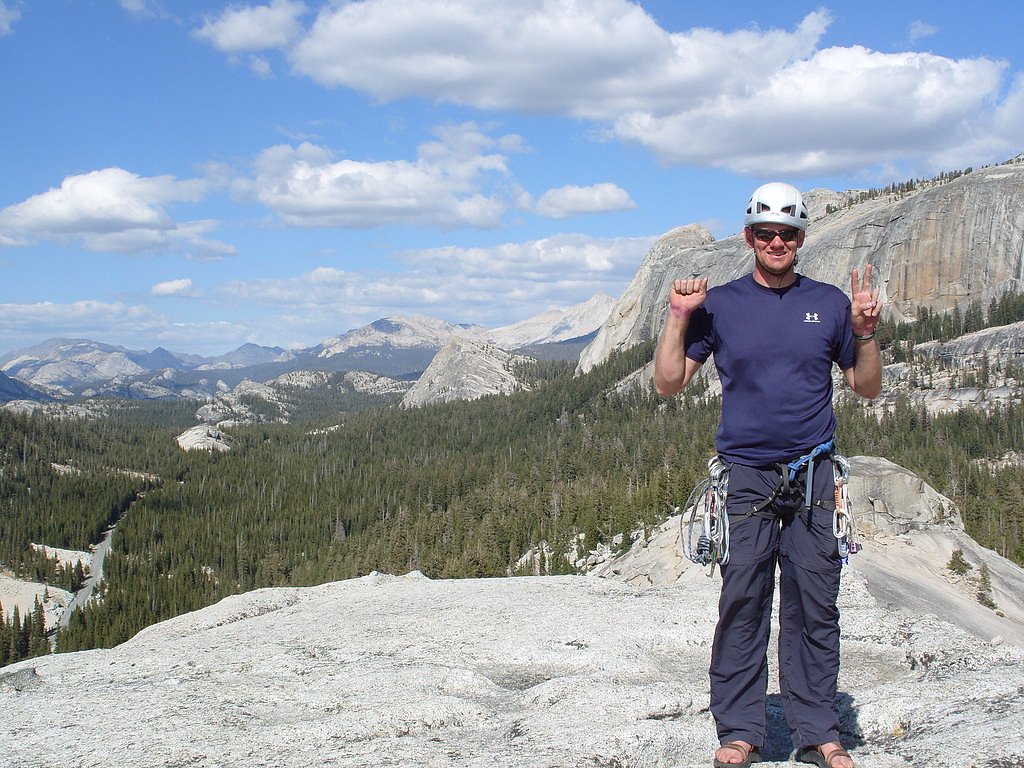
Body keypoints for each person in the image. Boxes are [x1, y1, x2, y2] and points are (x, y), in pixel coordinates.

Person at [653, 182, 882, 768]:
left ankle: (819, 732)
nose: (776, 242)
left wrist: (864, 332)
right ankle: (740, 732)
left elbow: (865, 386)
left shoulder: (830, 303)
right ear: (749, 237)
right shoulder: (721, 305)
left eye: (787, 233)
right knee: (743, 601)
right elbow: (669, 382)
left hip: (813, 474)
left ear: (801, 239)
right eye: (765, 233)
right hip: (747, 476)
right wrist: (678, 316)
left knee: (815, 603)